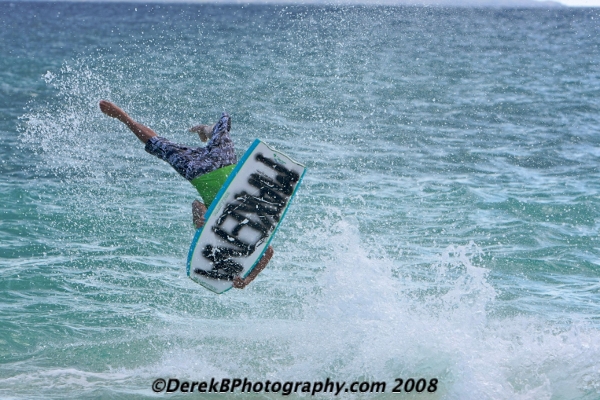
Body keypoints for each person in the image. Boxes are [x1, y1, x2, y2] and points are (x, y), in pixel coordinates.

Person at [99, 100, 273, 289]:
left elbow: (197, 205)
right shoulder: (248, 231)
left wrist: (199, 218)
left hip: (203, 171)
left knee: (162, 145)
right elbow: (268, 251)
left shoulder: (214, 232)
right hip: (220, 164)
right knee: (220, 127)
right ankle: (205, 129)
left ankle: (124, 117)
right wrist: (247, 280)